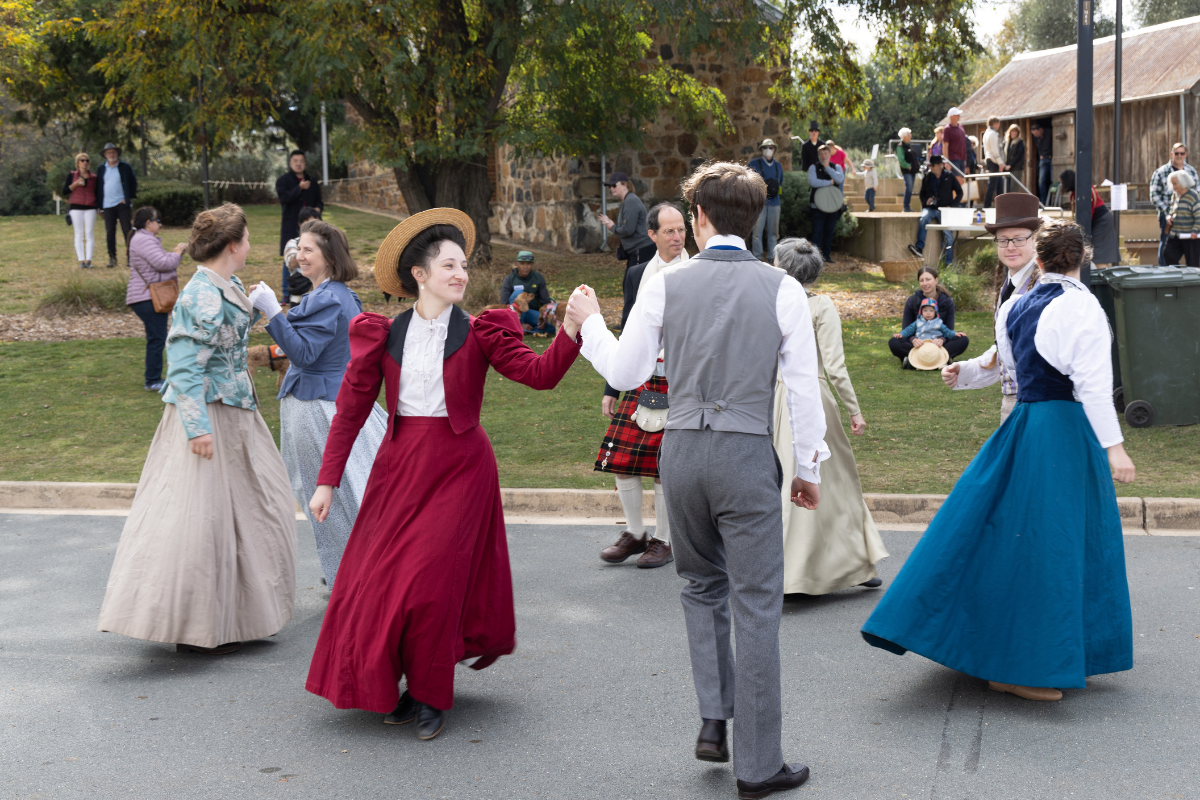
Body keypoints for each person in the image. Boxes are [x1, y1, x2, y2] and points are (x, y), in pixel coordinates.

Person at [565, 161, 827, 798]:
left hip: (680, 451)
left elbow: (626, 373)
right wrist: (808, 467)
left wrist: (589, 324)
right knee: (757, 603)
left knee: (698, 585)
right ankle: (759, 764)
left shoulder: (666, 282)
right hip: (742, 453)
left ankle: (715, 715)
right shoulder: (782, 289)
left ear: (701, 219)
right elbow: (802, 390)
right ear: (757, 218)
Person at [304, 208, 584, 741]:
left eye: (463, 265)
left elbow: (539, 375)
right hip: (399, 467)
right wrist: (327, 480)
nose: (461, 274)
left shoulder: (482, 331)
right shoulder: (380, 334)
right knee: (385, 583)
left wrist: (569, 328)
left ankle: (430, 694)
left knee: (432, 584)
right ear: (420, 274)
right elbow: (351, 410)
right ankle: (403, 683)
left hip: (461, 467)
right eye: (449, 265)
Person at [862, 219, 1136, 703]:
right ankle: (1026, 662)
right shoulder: (1081, 307)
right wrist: (1114, 446)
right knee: (1054, 545)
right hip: (1064, 432)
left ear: (1042, 258)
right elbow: (1091, 385)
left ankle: (1032, 650)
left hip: (1026, 427)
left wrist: (965, 372)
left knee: (1013, 537)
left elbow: (1003, 365)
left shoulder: (1015, 305)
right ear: (1082, 258)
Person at [98, 203, 296, 656]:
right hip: (208, 415)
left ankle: (237, 616)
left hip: (237, 411)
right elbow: (185, 367)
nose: (250, 245)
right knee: (202, 520)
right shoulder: (199, 295)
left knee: (254, 508)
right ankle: (194, 627)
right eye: (246, 238)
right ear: (232, 245)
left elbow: (231, 342)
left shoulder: (230, 284)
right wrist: (197, 429)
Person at [248, 220, 388, 588]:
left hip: (318, 406)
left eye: (308, 249)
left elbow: (304, 354)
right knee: (345, 490)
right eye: (299, 248)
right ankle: (354, 571)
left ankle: (352, 575)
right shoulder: (334, 293)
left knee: (328, 495)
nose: (299, 254)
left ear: (329, 256)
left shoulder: (328, 297)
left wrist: (271, 312)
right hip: (329, 401)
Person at [772, 238, 887, 594]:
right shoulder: (820, 306)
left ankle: (788, 572)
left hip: (774, 398)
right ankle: (852, 563)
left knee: (784, 478)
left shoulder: (767, 303)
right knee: (834, 482)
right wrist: (854, 409)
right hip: (814, 396)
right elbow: (835, 367)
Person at [595, 202, 690, 570]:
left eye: (681, 229)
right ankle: (635, 533)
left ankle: (663, 540)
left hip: (681, 380)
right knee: (623, 460)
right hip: (640, 378)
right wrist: (611, 387)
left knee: (664, 465)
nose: (678, 237)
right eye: (669, 231)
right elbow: (627, 331)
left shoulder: (697, 272)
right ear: (651, 235)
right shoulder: (637, 274)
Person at [942, 193, 1042, 422]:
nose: (1010, 246)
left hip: (1035, 404)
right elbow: (1006, 348)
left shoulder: (1044, 287)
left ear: (1035, 239)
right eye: (1003, 239)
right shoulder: (1009, 284)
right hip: (1014, 402)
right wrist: (967, 370)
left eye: (1019, 239)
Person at [126, 206, 186, 392]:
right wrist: (177, 252)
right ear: (148, 223)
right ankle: (152, 380)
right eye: (157, 220)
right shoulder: (144, 239)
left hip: (145, 296)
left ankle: (155, 378)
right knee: (157, 338)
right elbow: (163, 263)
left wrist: (174, 255)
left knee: (157, 337)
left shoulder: (143, 239)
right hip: (147, 297)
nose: (160, 223)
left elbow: (159, 261)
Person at [888, 264, 969, 367]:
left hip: (938, 344)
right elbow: (906, 330)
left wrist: (942, 340)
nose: (925, 283)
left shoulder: (947, 302)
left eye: (928, 279)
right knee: (894, 342)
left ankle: (916, 361)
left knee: (963, 340)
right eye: (921, 280)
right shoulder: (912, 301)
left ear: (936, 280)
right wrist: (914, 340)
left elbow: (948, 331)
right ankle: (940, 360)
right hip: (918, 344)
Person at [906, 156, 963, 264]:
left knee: (948, 236)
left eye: (932, 165)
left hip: (945, 209)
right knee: (923, 218)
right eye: (929, 165)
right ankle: (919, 248)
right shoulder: (927, 177)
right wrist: (925, 201)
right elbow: (921, 194)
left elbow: (960, 192)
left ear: (940, 165)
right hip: (931, 208)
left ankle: (947, 263)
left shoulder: (949, 176)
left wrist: (952, 206)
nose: (930, 167)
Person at [1059, 170, 1119, 267]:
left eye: (1062, 182)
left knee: (1098, 254)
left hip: (1101, 220)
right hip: (1098, 219)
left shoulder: (1085, 191)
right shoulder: (1075, 194)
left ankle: (1102, 279)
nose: (1061, 185)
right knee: (1097, 252)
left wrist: (1084, 230)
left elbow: (1088, 213)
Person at [1150, 144, 1198, 265]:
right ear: (1172, 154)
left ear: (1185, 154)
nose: (1179, 156)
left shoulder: (1191, 171)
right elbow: (1154, 195)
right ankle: (1166, 276)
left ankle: (1190, 279)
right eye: (1176, 153)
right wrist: (1168, 213)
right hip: (1169, 218)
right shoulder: (1161, 172)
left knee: (1191, 254)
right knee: (1167, 252)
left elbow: (1197, 194)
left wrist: (1196, 228)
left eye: (1182, 153)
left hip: (1190, 219)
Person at [599, 171, 654, 269]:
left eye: (614, 185)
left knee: (633, 283)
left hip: (641, 251)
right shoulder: (628, 201)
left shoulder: (631, 201)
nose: (611, 188)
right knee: (630, 283)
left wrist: (612, 226)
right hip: (638, 251)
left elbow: (628, 230)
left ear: (624, 185)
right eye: (609, 186)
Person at [95, 142, 137, 269]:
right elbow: (98, 187)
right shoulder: (101, 168)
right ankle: (112, 258)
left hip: (122, 203)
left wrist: (128, 198)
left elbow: (133, 183)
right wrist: (99, 205)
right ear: (105, 155)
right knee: (110, 232)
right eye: (109, 153)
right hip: (107, 205)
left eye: (113, 152)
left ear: (117, 153)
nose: (111, 154)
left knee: (127, 231)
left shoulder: (125, 167)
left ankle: (131, 258)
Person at [276, 150, 323, 256]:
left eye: (301, 161)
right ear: (290, 163)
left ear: (305, 163)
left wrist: (318, 210)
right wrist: (299, 188)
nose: (298, 164)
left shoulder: (312, 180)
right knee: (292, 253)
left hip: (311, 222)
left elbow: (319, 201)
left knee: (313, 251)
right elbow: (284, 198)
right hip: (292, 223)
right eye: (295, 161)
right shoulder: (282, 180)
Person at [499, 250, 555, 335]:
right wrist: (520, 324)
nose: (525, 266)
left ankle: (526, 329)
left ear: (532, 264)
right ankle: (518, 326)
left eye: (528, 264)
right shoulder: (509, 279)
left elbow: (545, 301)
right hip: (514, 314)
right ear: (517, 264)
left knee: (552, 326)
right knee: (518, 292)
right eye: (522, 263)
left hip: (530, 312)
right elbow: (504, 304)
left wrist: (544, 317)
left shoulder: (538, 278)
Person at [808, 144, 845, 262]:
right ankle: (815, 259)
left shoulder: (837, 167)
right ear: (818, 155)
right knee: (817, 232)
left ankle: (826, 256)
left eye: (825, 154)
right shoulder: (813, 167)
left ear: (830, 154)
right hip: (817, 207)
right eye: (821, 154)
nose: (823, 156)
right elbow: (813, 182)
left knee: (829, 232)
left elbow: (839, 179)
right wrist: (829, 182)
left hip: (833, 207)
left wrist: (828, 168)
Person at [749, 138, 784, 261]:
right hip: (759, 204)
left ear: (774, 149)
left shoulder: (778, 165)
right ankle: (757, 258)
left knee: (773, 233)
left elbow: (781, 182)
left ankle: (772, 257)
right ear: (761, 149)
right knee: (757, 233)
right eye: (765, 147)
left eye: (771, 147)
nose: (768, 150)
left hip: (775, 204)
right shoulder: (753, 164)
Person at [62, 153, 97, 269]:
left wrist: (99, 208)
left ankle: (89, 260)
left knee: (89, 234)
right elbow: (65, 191)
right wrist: (75, 184)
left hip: (90, 208)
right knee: (78, 234)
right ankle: (81, 260)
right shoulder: (72, 175)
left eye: (87, 160)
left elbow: (98, 193)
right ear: (77, 163)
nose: (85, 162)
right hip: (76, 208)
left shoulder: (94, 178)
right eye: (82, 160)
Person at [282, 206, 322, 305]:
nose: (312, 228)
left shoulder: (326, 243)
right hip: (300, 295)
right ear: (300, 225)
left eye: (315, 223)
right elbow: (292, 263)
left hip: (322, 293)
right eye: (308, 224)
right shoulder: (293, 243)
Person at [1162, 170, 1200, 267]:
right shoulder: (1175, 195)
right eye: (1172, 184)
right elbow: (1172, 210)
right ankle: (1177, 277)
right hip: (1175, 234)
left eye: (1175, 183)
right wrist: (1169, 216)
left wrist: (1195, 231)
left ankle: (1192, 281)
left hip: (1190, 236)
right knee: (1168, 254)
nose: (1173, 187)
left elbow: (1198, 215)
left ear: (1183, 182)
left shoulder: (1193, 196)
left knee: (1192, 263)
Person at [895, 128, 921, 212]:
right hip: (907, 172)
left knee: (910, 188)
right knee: (909, 187)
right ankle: (906, 207)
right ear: (904, 136)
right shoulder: (900, 147)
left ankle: (907, 207)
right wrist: (908, 166)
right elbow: (901, 160)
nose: (911, 136)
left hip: (913, 171)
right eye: (909, 135)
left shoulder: (910, 145)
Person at [983, 116, 1005, 208]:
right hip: (994, 161)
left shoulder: (987, 133)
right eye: (999, 124)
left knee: (999, 185)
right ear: (995, 123)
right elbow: (995, 150)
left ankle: (999, 206)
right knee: (993, 185)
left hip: (991, 160)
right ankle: (987, 206)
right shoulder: (992, 134)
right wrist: (1000, 162)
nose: (999, 126)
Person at [943, 108, 967, 189]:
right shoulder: (947, 129)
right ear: (952, 116)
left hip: (962, 159)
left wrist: (965, 159)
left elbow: (963, 143)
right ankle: (955, 201)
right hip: (953, 159)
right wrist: (946, 161)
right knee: (957, 182)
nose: (959, 116)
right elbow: (945, 146)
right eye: (957, 115)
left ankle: (958, 201)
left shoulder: (960, 127)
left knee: (961, 182)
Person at [1031, 122, 1054, 204]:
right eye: (1034, 134)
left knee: (1053, 180)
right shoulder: (1035, 138)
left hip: (1052, 158)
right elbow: (1037, 146)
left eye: (1036, 133)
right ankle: (1043, 201)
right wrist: (1040, 154)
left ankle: (1053, 201)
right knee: (1041, 181)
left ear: (1040, 129)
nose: (1035, 135)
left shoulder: (1050, 132)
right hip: (1043, 159)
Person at [1003, 124, 1026, 195]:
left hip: (1016, 168)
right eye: (1012, 131)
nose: (1014, 133)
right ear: (1009, 132)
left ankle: (1013, 205)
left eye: (1016, 132)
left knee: (1014, 188)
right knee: (1006, 187)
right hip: (1006, 168)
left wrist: (1010, 165)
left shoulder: (1020, 142)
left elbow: (1019, 155)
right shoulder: (1006, 142)